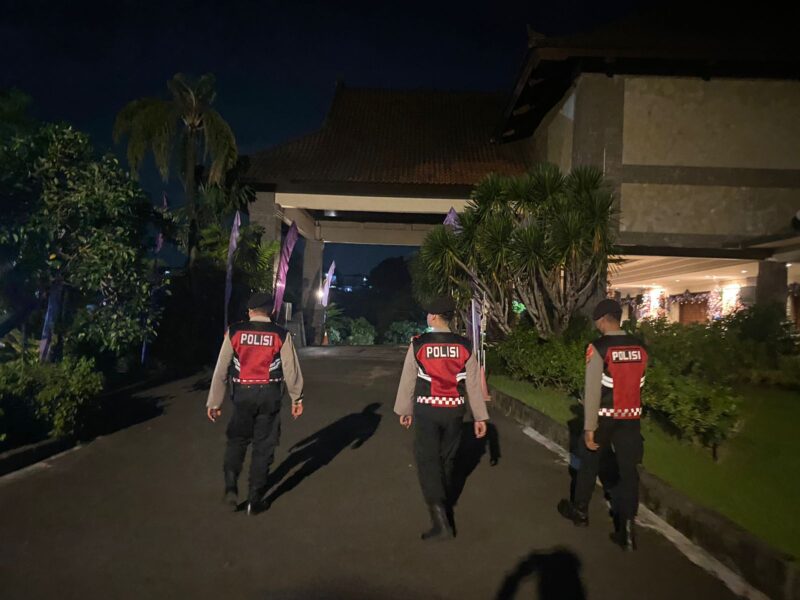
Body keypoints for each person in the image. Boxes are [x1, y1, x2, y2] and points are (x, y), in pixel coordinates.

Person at [394, 296, 489, 541]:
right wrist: (479, 416)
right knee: (447, 459)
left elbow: (409, 379)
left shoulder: (419, 344)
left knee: (427, 460)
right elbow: (473, 384)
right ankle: (444, 504)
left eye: (429, 313)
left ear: (434, 317)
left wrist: (405, 410)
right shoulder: (464, 345)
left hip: (427, 410)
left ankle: (440, 519)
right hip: (454, 411)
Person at [558, 298, 648, 551]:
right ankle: (627, 531)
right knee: (629, 472)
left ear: (601, 321)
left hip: (604, 417)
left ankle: (580, 512)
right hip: (631, 418)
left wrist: (589, 427)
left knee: (589, 461)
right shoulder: (640, 347)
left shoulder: (599, 347)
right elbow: (640, 383)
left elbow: (592, 390)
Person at [206, 292, 305, 515]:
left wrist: (214, 402)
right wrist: (296, 398)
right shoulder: (280, 334)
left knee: (237, 441)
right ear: (271, 311)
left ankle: (231, 486)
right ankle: (254, 498)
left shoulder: (235, 332)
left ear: (250, 311)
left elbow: (222, 369)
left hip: (242, 395)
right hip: (270, 395)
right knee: (263, 446)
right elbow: (290, 370)